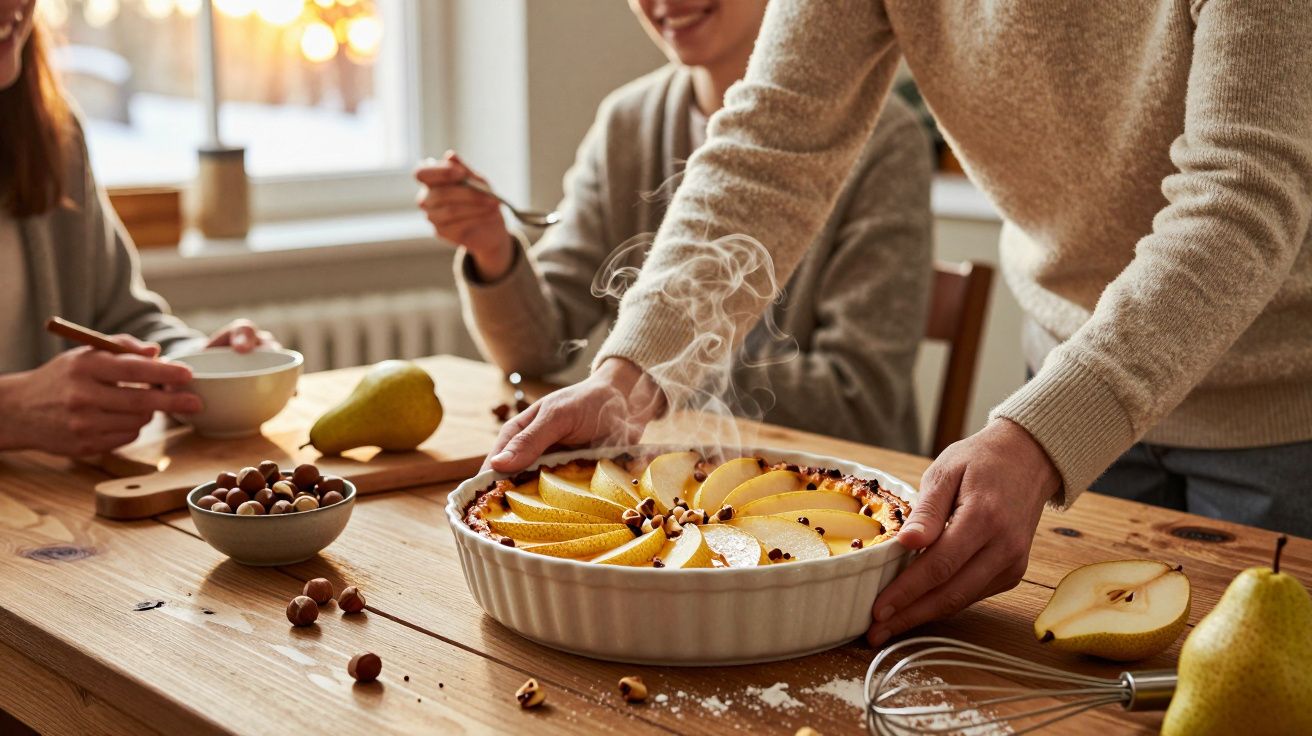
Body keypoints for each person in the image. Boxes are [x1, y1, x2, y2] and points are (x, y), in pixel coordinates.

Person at [486, 0, 1312, 648]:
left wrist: (1039, 435)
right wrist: (628, 379)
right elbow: (769, 146)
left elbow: (1241, 193)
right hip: (1070, 371)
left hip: (1283, 394)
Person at [415, 0, 933, 450]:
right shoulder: (627, 123)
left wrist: (645, 377)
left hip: (839, 489)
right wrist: (493, 251)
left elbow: (857, 399)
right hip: (669, 473)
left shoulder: (885, 140)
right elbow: (538, 348)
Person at [0, 5, 275, 457]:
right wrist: (10, 414)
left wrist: (198, 365)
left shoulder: (52, 134)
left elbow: (121, 320)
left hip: (48, 516)